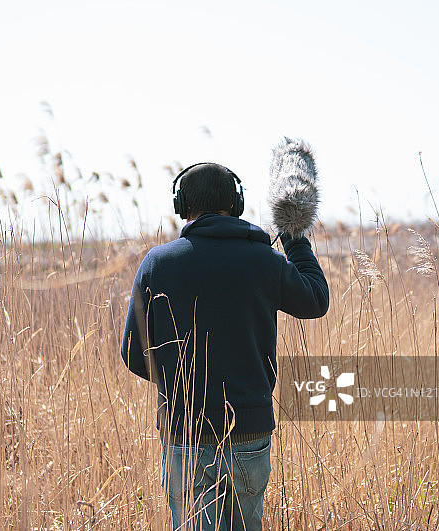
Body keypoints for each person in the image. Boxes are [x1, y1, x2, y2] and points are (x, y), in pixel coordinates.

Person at [120, 162, 329, 530]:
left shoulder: (157, 263)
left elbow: (134, 355)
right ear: (237, 202)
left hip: (185, 434)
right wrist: (293, 237)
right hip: (248, 435)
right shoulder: (264, 259)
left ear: (182, 205)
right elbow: (315, 299)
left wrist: (180, 384)